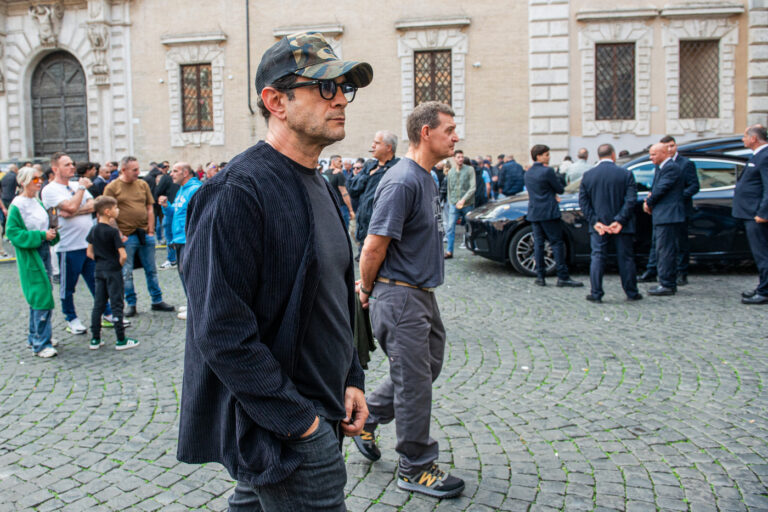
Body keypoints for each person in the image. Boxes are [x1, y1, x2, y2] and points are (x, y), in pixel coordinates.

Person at [177, 31, 371, 511]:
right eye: (324, 87)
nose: (340, 100)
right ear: (275, 101)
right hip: (287, 427)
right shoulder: (236, 192)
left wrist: (352, 376)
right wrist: (300, 424)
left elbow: (333, 299)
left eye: (343, 87)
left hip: (321, 408)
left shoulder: (321, 185)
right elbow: (220, 330)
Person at [354, 101, 464, 499]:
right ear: (425, 132)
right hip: (399, 296)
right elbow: (373, 245)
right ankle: (415, 466)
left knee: (425, 368)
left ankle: (368, 417)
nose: (455, 137)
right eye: (449, 130)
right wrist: (366, 291)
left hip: (420, 295)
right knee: (416, 384)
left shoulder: (427, 177)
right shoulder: (403, 180)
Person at [42, 152, 117, 334]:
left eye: (72, 163)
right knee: (68, 288)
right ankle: (71, 318)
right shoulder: (51, 190)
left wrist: (73, 210)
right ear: (55, 168)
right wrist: (79, 195)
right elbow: (70, 207)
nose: (72, 167)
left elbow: (94, 206)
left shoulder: (76, 185)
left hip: (88, 245)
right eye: (67, 164)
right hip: (68, 247)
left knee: (97, 282)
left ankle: (106, 312)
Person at [104, 156, 174, 317]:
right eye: (134, 170)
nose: (137, 172)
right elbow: (108, 213)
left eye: (137, 169)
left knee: (151, 270)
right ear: (123, 170)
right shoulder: (112, 187)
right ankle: (131, 303)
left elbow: (149, 208)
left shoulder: (142, 184)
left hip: (145, 235)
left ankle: (157, 300)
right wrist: (119, 234)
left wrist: (151, 231)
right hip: (126, 236)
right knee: (126, 272)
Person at [6, 166, 60, 358]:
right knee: (41, 296)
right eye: (35, 179)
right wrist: (40, 235)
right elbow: (12, 232)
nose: (39, 182)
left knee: (41, 295)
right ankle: (40, 342)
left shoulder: (36, 201)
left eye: (40, 179)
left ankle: (37, 335)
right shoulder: (17, 205)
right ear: (23, 182)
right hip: (30, 254)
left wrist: (52, 233)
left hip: (43, 249)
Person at [578, 144, 641, 302]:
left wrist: (595, 221)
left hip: (599, 223)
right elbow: (631, 200)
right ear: (613, 155)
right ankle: (631, 292)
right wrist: (619, 220)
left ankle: (596, 292)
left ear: (598, 156)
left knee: (598, 257)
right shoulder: (626, 174)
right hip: (622, 224)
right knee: (625, 258)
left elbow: (584, 203)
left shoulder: (588, 175)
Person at [639, 136, 699, 285]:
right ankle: (653, 271)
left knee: (676, 245)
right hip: (662, 210)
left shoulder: (682, 164)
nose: (671, 149)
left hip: (676, 210)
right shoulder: (661, 165)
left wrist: (677, 197)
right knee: (658, 244)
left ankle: (678, 274)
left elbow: (692, 186)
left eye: (672, 146)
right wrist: (651, 198)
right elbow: (657, 187)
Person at [525, 144, 582, 287]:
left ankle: (540, 276)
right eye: (546, 155)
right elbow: (560, 189)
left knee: (538, 245)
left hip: (534, 212)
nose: (549, 157)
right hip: (548, 211)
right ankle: (562, 276)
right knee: (556, 243)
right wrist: (554, 194)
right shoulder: (547, 171)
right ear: (538, 156)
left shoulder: (528, 173)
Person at [86, 196, 139, 351]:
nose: (118, 210)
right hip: (113, 270)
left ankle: (95, 338)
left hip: (99, 269)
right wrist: (117, 264)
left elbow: (89, 252)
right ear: (108, 212)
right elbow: (123, 255)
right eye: (116, 208)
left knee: (98, 304)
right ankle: (120, 339)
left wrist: (100, 260)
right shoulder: (113, 232)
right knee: (116, 303)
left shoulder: (93, 230)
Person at [158, 162, 201, 320]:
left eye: (175, 171)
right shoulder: (181, 190)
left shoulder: (195, 189)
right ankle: (191, 303)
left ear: (185, 173)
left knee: (190, 274)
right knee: (183, 273)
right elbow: (174, 212)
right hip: (179, 239)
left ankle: (195, 307)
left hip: (188, 239)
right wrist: (165, 206)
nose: (171, 174)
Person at [348, 130, 399, 257]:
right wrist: (368, 175)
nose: (372, 146)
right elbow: (353, 189)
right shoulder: (369, 166)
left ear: (388, 147)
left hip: (381, 233)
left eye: (377, 143)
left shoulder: (397, 168)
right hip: (363, 229)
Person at [643, 143, 685, 296]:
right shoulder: (663, 167)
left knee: (665, 250)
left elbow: (662, 188)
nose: (651, 157)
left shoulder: (670, 168)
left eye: (653, 154)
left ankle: (667, 283)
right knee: (662, 249)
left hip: (668, 215)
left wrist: (649, 202)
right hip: (664, 215)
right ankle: (666, 281)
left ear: (663, 153)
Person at [734, 124, 768, 304]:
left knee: (763, 254)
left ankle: (765, 292)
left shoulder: (765, 156)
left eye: (745, 136)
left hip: (757, 215)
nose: (743, 139)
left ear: (754, 138)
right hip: (751, 213)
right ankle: (763, 287)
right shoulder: (759, 155)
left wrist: (763, 213)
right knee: (760, 254)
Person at [444, 149, 475, 258]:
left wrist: (463, 199)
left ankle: (474, 248)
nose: (461, 159)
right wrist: (451, 201)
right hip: (454, 204)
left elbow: (473, 187)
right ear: (454, 158)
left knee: (470, 226)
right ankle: (449, 251)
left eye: (462, 157)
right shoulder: (451, 172)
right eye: (458, 157)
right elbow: (449, 189)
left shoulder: (469, 170)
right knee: (450, 227)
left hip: (467, 204)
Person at [325, 154, 355, 231]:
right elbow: (344, 193)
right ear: (333, 161)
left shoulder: (323, 174)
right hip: (340, 207)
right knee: (344, 232)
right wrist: (351, 210)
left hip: (328, 207)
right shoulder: (338, 174)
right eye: (340, 161)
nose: (341, 163)